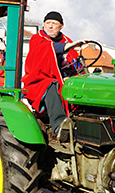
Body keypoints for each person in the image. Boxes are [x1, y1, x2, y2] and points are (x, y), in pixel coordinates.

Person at [22, 11, 91, 141]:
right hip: (37, 81)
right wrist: (70, 46)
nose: (50, 26)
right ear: (43, 24)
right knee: (51, 84)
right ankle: (59, 126)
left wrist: (72, 76)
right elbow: (49, 49)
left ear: (61, 26)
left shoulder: (67, 41)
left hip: (63, 81)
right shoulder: (37, 39)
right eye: (48, 23)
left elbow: (74, 63)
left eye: (54, 23)